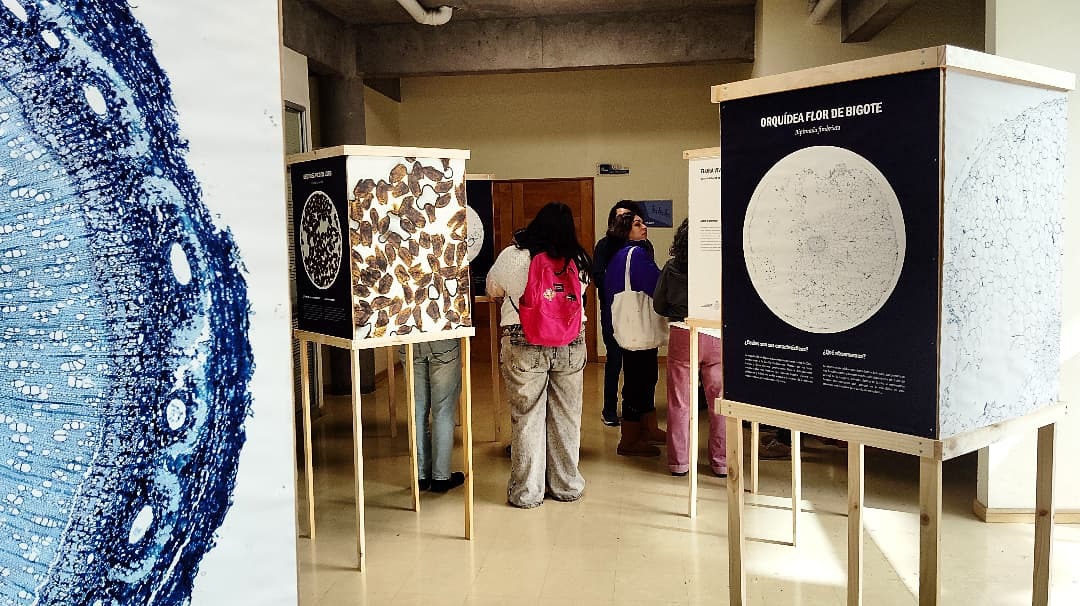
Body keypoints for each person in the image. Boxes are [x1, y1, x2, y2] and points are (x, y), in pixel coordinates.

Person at [487, 202, 591, 509]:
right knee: (567, 415)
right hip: (570, 342)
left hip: (523, 340)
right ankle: (566, 485)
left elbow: (493, 289)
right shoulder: (579, 259)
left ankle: (527, 492)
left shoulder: (512, 256)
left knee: (528, 416)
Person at [653, 219, 727, 477]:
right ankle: (720, 462)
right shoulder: (719, 266)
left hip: (683, 334)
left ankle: (679, 462)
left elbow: (659, 305)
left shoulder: (672, 267)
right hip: (715, 334)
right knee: (719, 402)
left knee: (680, 402)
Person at [604, 212, 665, 457]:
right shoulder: (637, 254)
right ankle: (630, 438)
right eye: (637, 224)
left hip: (627, 328)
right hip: (640, 329)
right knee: (641, 380)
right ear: (626, 230)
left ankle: (647, 429)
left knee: (641, 376)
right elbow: (657, 286)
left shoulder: (619, 255)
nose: (644, 227)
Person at [592, 200, 653, 427]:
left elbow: (649, 278)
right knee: (615, 359)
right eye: (621, 218)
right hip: (612, 310)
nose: (625, 221)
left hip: (638, 312)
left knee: (638, 362)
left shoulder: (644, 246)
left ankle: (636, 411)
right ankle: (609, 408)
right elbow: (598, 277)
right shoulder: (605, 246)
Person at [401, 339, 466, 491]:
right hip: (443, 340)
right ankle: (440, 478)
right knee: (443, 410)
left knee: (416, 411)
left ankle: (420, 476)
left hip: (409, 339)